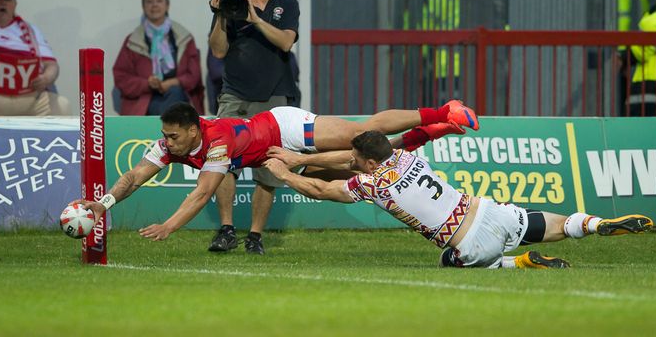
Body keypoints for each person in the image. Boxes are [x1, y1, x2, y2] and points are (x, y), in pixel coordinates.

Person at [72, 100, 480, 246]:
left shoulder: (215, 143)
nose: (167, 142)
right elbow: (132, 178)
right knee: (349, 165)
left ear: (193, 130)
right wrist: (102, 204)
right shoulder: (169, 144)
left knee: (362, 135)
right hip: (273, 157)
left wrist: (169, 227)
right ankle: (428, 134)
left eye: (173, 136)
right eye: (165, 136)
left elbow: (200, 194)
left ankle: (443, 112)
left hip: (283, 128)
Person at [261, 130, 654, 269]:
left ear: (366, 163)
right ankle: (596, 224)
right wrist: (300, 157)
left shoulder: (370, 185)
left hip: (468, 243)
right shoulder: (405, 155)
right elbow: (348, 159)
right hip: (487, 210)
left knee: (451, 261)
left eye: (356, 162)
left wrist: (283, 173)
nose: (351, 165)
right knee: (555, 225)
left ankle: (518, 264)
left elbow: (322, 189)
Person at [207, 0, 300, 254]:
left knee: (269, 168)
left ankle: (255, 236)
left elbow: (286, 43)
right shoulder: (232, 2)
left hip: (274, 96)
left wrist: (256, 19)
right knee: (222, 162)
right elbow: (218, 50)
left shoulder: (287, 4)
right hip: (234, 94)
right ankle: (226, 229)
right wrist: (222, 13)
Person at [113, 0, 204, 115]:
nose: (154, 5)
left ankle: (165, 129)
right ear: (143, 7)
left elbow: (194, 76)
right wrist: (147, 84)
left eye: (159, 1)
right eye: (149, 1)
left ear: (167, 5)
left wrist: (174, 82)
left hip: (180, 97)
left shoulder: (184, 37)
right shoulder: (133, 41)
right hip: (144, 101)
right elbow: (121, 78)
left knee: (175, 92)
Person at [628, 1, 656, 116]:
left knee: (639, 128)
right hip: (650, 81)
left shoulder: (654, 18)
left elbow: (644, 50)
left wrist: (628, 54)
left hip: (649, 80)